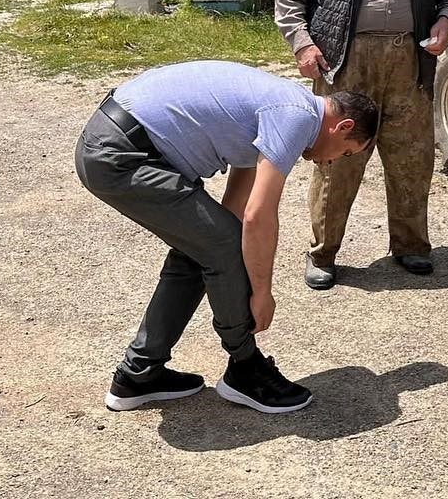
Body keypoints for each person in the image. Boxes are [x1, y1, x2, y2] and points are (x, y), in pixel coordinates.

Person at [74, 60, 380, 414]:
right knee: (220, 244)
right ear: (342, 126)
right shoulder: (297, 118)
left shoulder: (283, 105)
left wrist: (223, 255)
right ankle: (245, 369)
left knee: (207, 245)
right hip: (123, 155)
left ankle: (139, 375)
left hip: (114, 144)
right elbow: (258, 216)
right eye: (344, 152)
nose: (330, 162)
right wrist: (261, 294)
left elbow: (235, 207)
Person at [274, 0, 448, 288]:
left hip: (408, 62)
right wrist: (302, 44)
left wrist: (444, 21)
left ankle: (412, 246)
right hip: (346, 60)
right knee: (336, 161)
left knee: (412, 157)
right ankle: (324, 253)